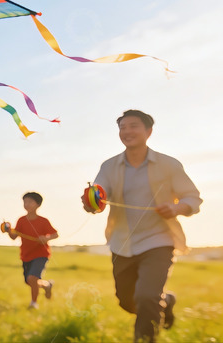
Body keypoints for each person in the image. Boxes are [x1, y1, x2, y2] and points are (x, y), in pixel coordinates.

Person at [84, 109, 202, 342]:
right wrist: (91, 203)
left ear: (148, 131)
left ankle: (145, 338)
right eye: (122, 127)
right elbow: (97, 197)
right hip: (122, 242)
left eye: (133, 126)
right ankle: (166, 301)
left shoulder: (169, 164)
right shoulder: (109, 166)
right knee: (127, 301)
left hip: (159, 241)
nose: (127, 131)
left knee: (147, 296)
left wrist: (176, 208)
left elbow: (193, 198)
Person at [5, 192, 58, 310]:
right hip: (26, 255)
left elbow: (55, 234)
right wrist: (8, 231)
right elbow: (14, 236)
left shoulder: (43, 221)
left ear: (38, 204)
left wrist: (46, 238)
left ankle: (33, 303)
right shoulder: (21, 220)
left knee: (32, 278)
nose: (26, 204)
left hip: (41, 254)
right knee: (29, 281)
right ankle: (47, 285)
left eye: (30, 202)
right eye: (25, 202)